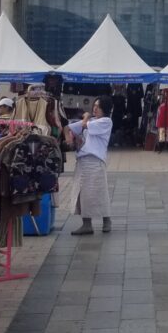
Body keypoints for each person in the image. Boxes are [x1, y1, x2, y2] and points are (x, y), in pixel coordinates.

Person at [66, 95, 113, 235]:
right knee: (83, 194)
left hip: (95, 161)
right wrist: (70, 138)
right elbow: (68, 127)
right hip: (82, 160)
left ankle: (106, 220)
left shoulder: (106, 121)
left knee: (99, 191)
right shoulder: (91, 120)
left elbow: (85, 124)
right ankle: (87, 224)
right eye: (95, 105)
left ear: (105, 108)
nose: (95, 108)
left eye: (98, 106)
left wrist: (85, 117)